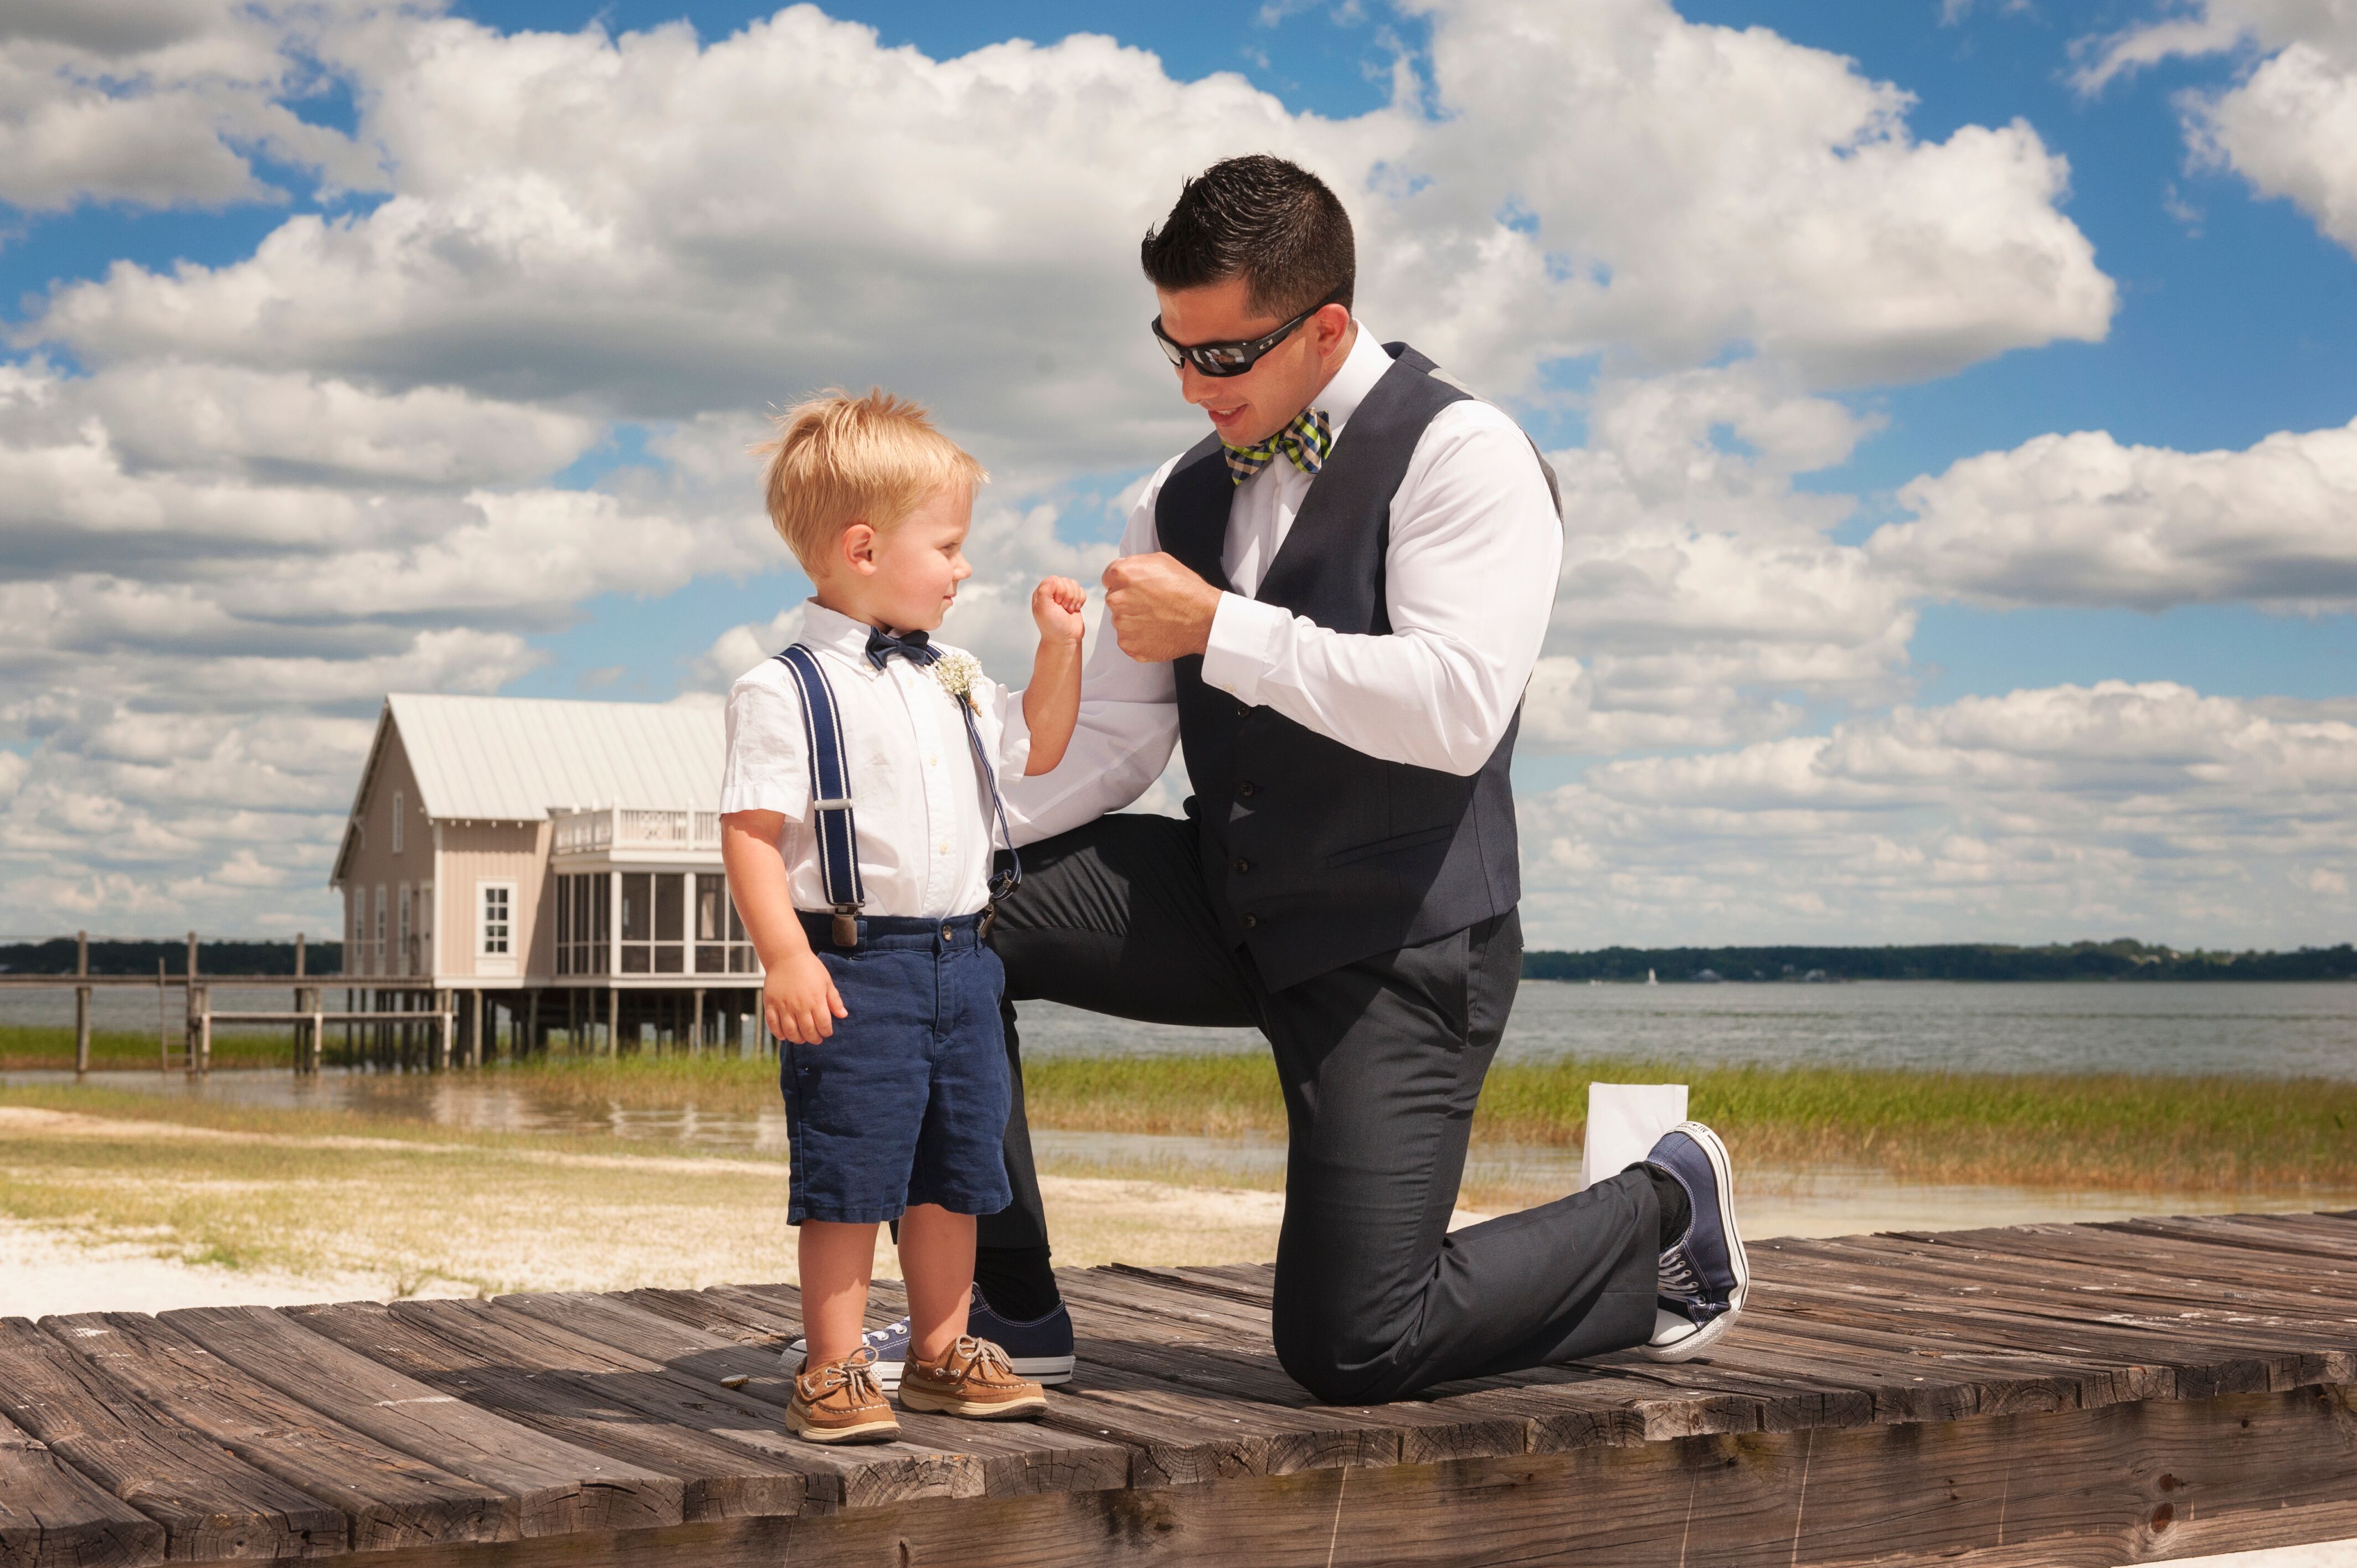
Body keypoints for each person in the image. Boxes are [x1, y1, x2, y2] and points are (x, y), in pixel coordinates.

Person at [964, 154, 1752, 1401]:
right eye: (1171, 346)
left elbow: (1454, 705)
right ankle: (1010, 1305)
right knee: (945, 916)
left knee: (1350, 1348)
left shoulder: (1465, 454)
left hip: (1400, 940)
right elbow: (1115, 744)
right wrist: (910, 837)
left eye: (1221, 354)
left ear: (1325, 326)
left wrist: (1221, 627)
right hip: (1231, 901)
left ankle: (1659, 1205)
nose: (1189, 382)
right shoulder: (1165, 498)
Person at [718, 389, 1089, 1442]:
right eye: (951, 546)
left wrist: (1059, 649)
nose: (964, 568)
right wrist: (785, 956)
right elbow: (751, 835)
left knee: (957, 1171)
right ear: (866, 547)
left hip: (964, 960)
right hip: (856, 963)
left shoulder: (955, 678)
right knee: (849, 1170)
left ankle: (938, 1351)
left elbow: (1043, 748)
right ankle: (833, 1370)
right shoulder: (782, 689)